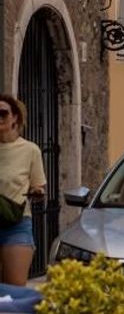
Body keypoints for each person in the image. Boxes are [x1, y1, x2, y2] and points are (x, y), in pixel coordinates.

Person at [0, 95, 45, 287]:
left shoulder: (30, 150)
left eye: (3, 113)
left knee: (14, 288)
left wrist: (36, 192)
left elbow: (39, 186)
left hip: (16, 224)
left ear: (15, 117)